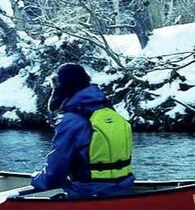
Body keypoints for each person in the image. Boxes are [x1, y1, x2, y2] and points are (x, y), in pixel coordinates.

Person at [31, 63, 134, 198]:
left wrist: (37, 180)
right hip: (124, 188)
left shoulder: (72, 120)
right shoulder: (109, 111)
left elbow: (56, 170)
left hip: (88, 192)